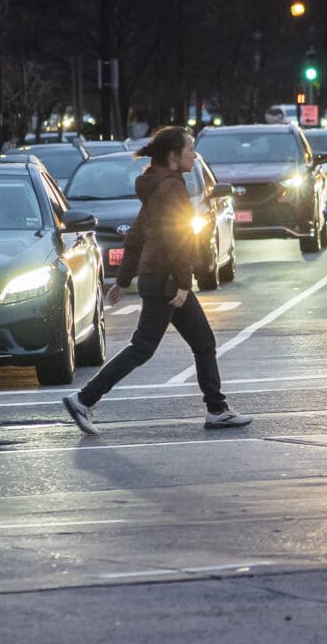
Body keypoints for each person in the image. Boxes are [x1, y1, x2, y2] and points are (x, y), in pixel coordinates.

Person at [62, 127, 252, 435]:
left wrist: (123, 281)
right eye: (189, 150)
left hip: (158, 278)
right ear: (173, 156)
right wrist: (182, 282)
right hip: (165, 281)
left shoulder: (157, 186)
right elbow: (176, 237)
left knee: (202, 342)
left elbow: (137, 234)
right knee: (143, 347)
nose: (193, 155)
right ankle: (84, 398)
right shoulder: (171, 188)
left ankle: (217, 409)